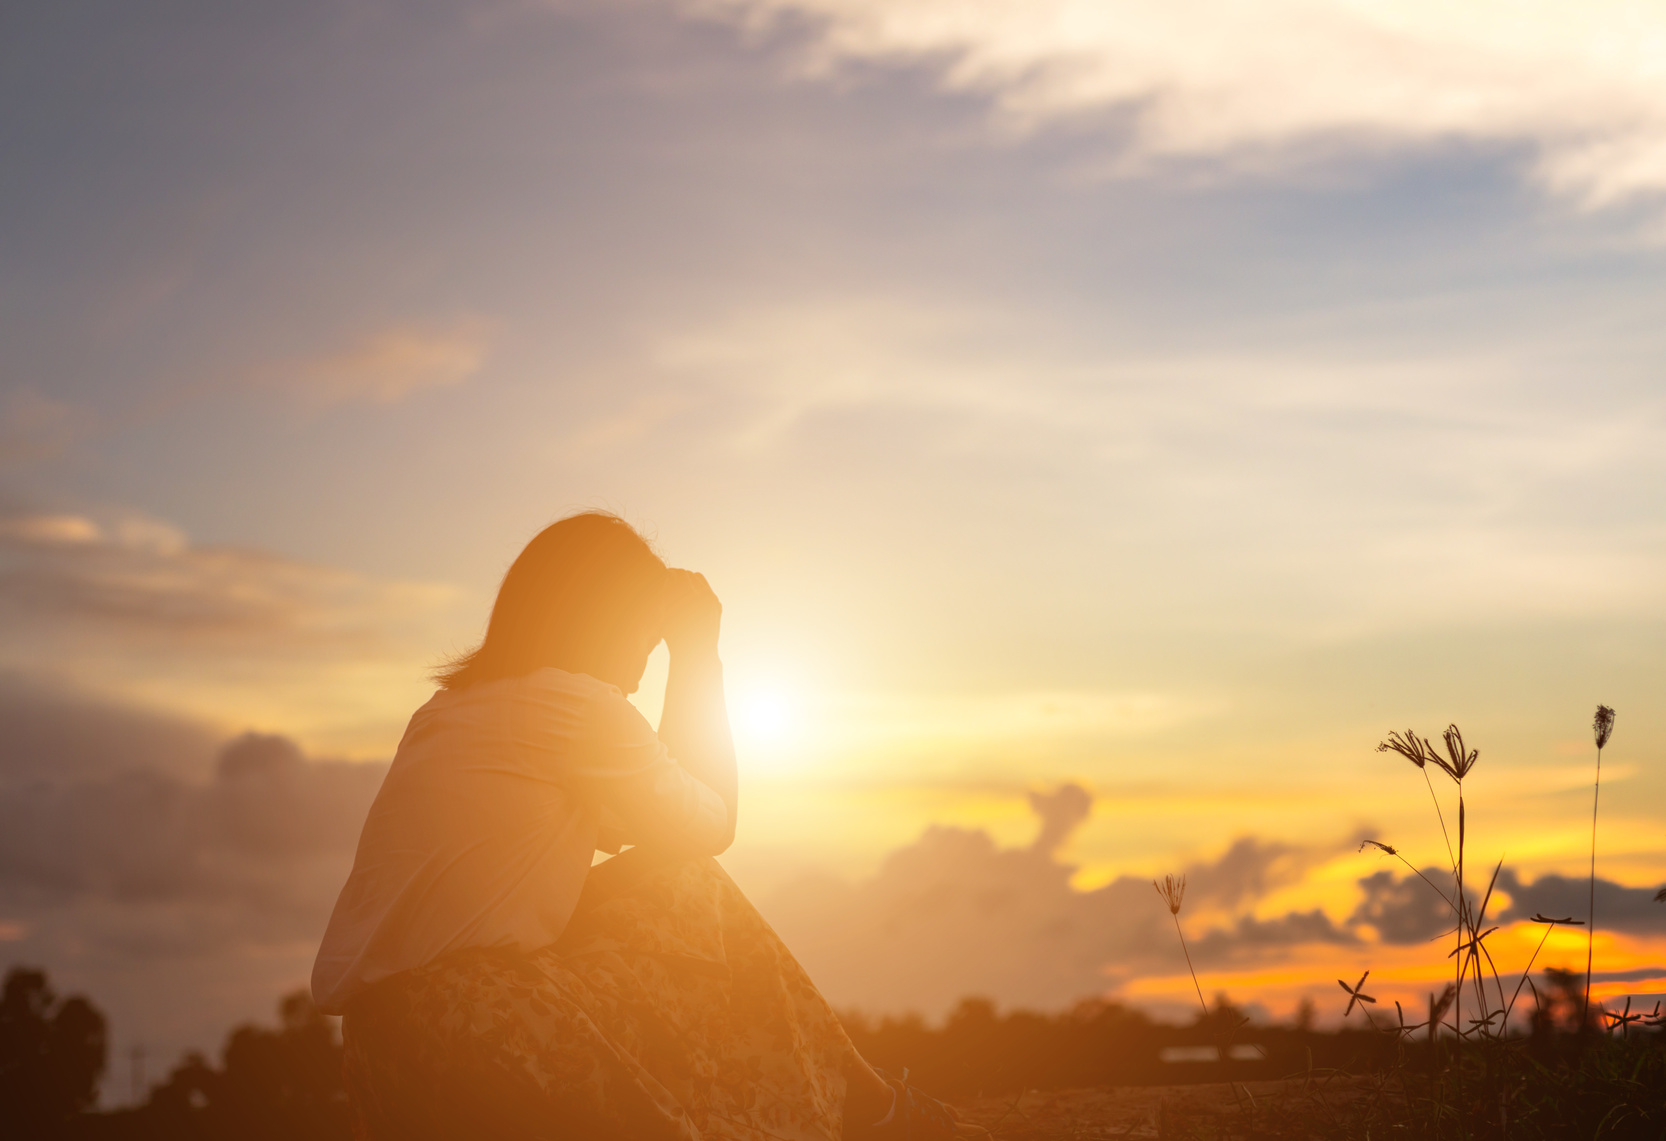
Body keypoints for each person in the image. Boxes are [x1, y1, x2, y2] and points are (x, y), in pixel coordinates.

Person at [312, 512, 962, 1141]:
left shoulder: (445, 710)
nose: (640, 669)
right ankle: (872, 1107)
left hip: (381, 1055)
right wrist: (697, 654)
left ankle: (867, 1101)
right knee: (691, 884)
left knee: (661, 878)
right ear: (604, 621)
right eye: (644, 641)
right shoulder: (574, 704)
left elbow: (651, 827)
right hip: (480, 1026)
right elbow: (709, 821)